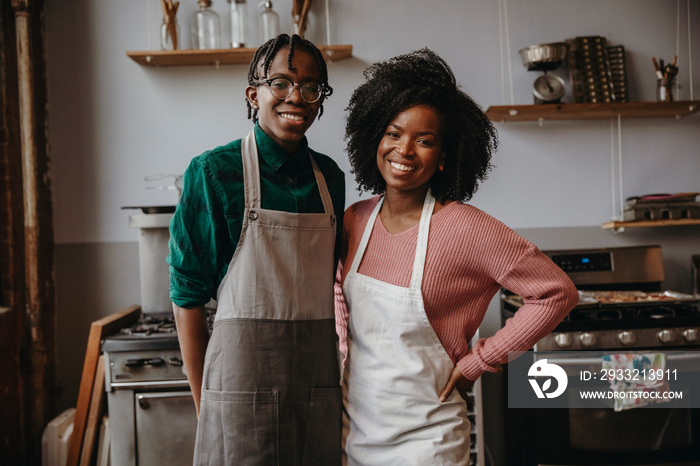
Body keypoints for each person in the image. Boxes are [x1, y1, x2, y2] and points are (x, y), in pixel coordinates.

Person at [334, 48, 579, 465]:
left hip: (428, 444)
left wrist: (479, 360)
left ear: (445, 157)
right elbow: (340, 309)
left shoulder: (465, 227)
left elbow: (557, 292)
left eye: (424, 140)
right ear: (374, 137)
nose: (404, 150)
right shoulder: (354, 220)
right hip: (352, 436)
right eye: (393, 133)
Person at [168, 34, 345, 465]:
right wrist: (206, 400)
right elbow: (187, 298)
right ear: (254, 94)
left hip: (316, 389)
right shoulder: (214, 172)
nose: (295, 97)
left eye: (310, 86)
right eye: (280, 83)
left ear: (321, 99)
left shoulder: (330, 178)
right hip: (238, 390)